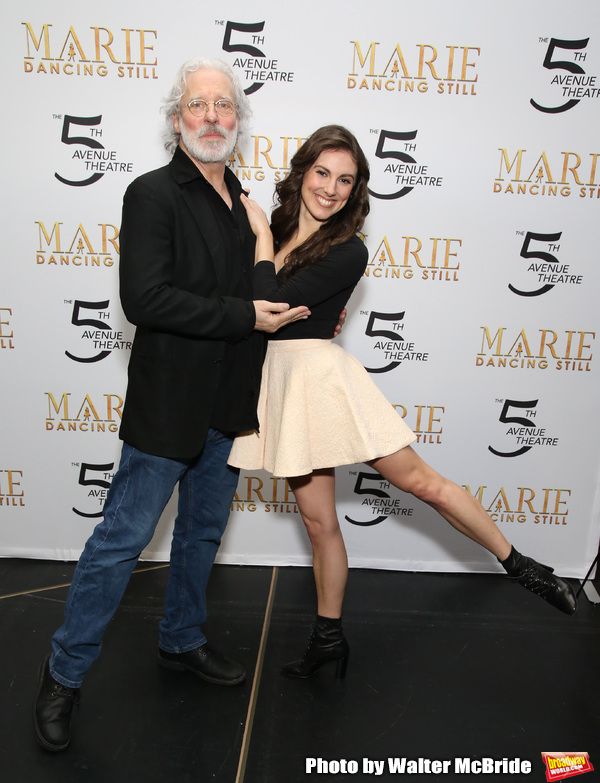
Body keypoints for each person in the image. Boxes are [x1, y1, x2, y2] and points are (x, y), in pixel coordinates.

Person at [228, 124, 578, 680]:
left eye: (345, 180)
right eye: (322, 173)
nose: (330, 189)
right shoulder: (275, 228)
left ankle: (521, 566)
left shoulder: (347, 250)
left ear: (356, 190)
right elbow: (245, 304)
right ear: (302, 173)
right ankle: (328, 638)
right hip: (283, 385)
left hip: (323, 380)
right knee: (318, 523)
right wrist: (263, 248)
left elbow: (268, 305)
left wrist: (262, 247)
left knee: (421, 482)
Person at [33, 57, 311, 753]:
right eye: (198, 104)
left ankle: (182, 639)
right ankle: (64, 675)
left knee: (200, 536)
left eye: (224, 105)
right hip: (167, 410)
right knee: (120, 543)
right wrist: (244, 314)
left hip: (229, 410)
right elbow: (145, 299)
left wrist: (273, 272)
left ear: (239, 120)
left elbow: (262, 299)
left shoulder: (245, 205)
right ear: (176, 118)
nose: (212, 116)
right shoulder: (151, 194)